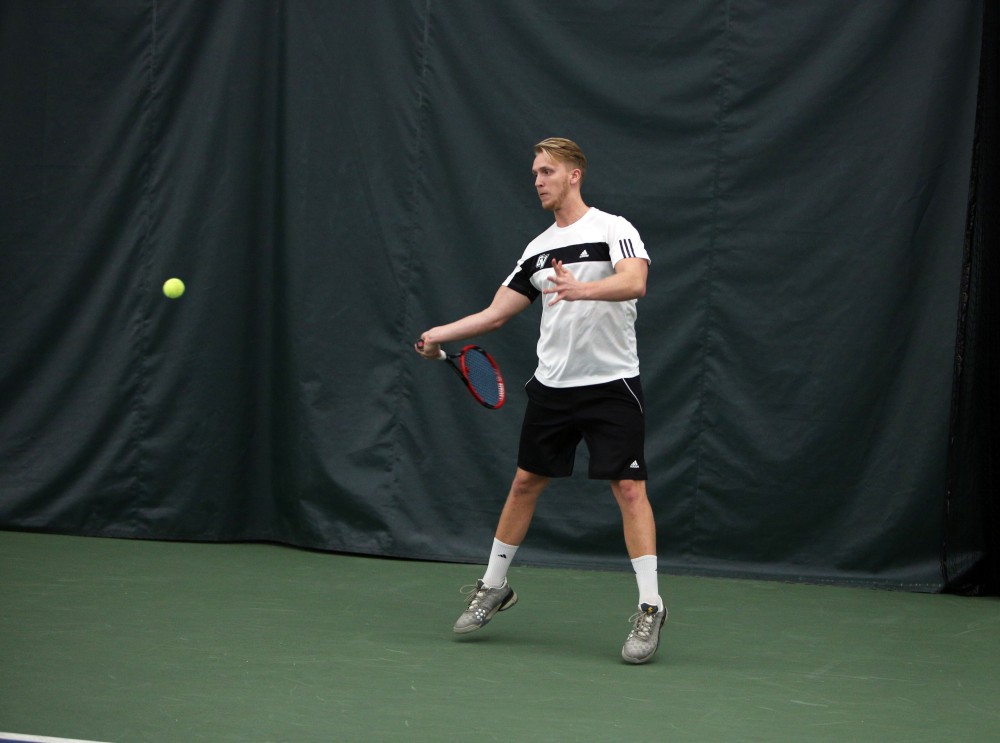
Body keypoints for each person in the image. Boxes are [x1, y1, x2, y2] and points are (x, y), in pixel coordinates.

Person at [415, 137, 665, 664]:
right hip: (552, 387)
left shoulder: (614, 229)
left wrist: (583, 291)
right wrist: (438, 332)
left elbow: (635, 282)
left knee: (629, 488)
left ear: (574, 174)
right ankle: (493, 586)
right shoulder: (537, 248)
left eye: (547, 171)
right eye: (534, 173)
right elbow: (495, 314)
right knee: (526, 481)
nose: (538, 180)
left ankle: (650, 607)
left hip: (612, 383)